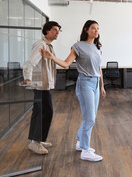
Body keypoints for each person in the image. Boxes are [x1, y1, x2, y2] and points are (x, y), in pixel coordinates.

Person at [41, 20, 106, 162]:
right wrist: (51, 57)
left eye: (98, 28)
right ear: (86, 30)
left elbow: (99, 68)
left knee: (91, 116)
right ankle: (85, 150)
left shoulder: (97, 47)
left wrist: (102, 86)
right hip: (85, 84)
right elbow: (65, 64)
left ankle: (79, 141)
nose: (96, 31)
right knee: (90, 118)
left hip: (95, 83)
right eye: (93, 28)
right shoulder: (78, 46)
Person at [22, 21, 61, 154]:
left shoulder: (48, 45)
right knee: (45, 111)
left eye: (58, 30)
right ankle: (35, 142)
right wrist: (27, 78)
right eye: (55, 30)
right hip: (39, 85)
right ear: (47, 31)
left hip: (44, 84)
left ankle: (38, 139)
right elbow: (29, 63)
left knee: (40, 112)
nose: (57, 33)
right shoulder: (40, 44)